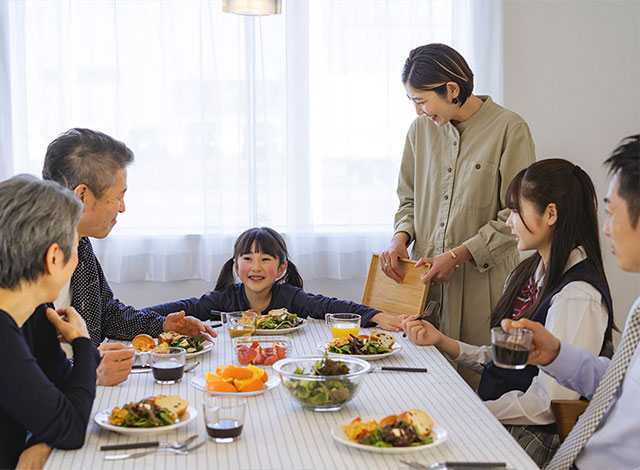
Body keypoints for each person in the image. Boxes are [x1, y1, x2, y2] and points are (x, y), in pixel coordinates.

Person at [401, 159, 614, 467]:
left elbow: (549, 402)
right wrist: (442, 341)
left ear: (551, 214)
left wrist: (473, 409)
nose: (510, 222)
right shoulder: (529, 273)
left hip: (530, 440)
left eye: (517, 211)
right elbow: (508, 360)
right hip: (502, 421)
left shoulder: (578, 295)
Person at [380, 43, 536, 384]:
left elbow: (517, 217)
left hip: (485, 284)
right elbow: (407, 199)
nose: (419, 112)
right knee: (421, 380)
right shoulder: (419, 132)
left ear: (451, 89)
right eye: (413, 102)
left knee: (478, 382)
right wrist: (399, 239)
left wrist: (457, 255)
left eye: (421, 101)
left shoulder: (510, 129)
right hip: (426, 284)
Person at [504, 135, 640, 470]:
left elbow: (547, 404)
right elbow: (620, 385)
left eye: (612, 212)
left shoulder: (578, 291)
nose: (606, 229)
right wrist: (558, 355)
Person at [42, 128, 216, 386]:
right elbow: (18, 364)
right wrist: (84, 370)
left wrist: (163, 326)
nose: (122, 208)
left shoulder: (80, 242)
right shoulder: (21, 257)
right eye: (119, 196)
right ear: (81, 196)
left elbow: (107, 313)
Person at [0, 175, 100, 469]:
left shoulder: (33, 312)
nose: (77, 261)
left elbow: (61, 395)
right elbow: (70, 428)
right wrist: (82, 343)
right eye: (74, 248)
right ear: (54, 257)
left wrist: (39, 442)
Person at [146, 227, 401, 329]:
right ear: (236, 266)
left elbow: (327, 306)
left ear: (281, 269)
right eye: (248, 259)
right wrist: (137, 317)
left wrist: (377, 316)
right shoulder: (224, 298)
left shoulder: (289, 296)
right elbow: (186, 308)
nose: (256, 267)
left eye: (265, 259)